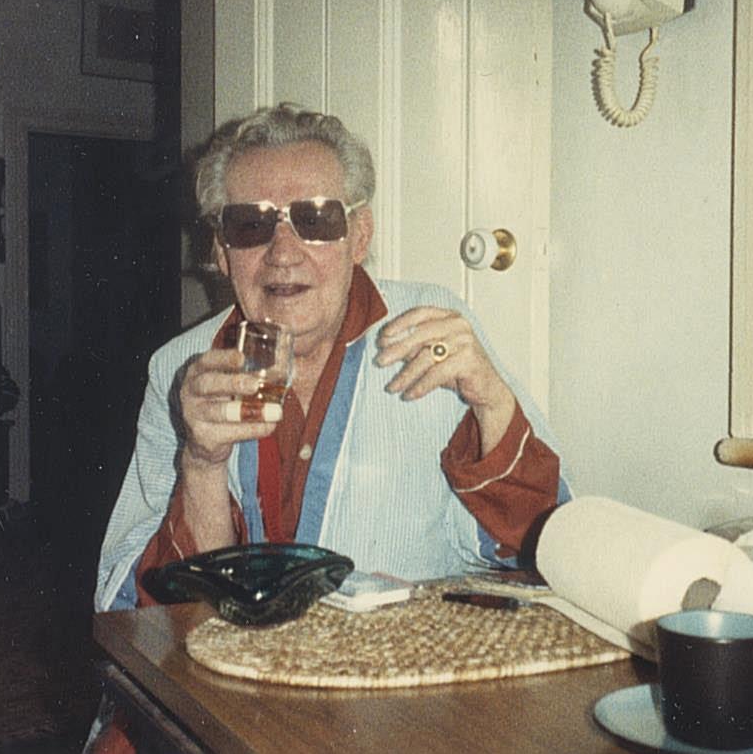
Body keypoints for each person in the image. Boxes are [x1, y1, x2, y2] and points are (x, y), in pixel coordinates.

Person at [87, 103, 570, 750]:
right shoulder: (181, 369)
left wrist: (492, 403)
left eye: (315, 219)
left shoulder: (434, 332)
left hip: (396, 700)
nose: (283, 252)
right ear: (222, 251)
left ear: (359, 235)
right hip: (229, 691)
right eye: (251, 224)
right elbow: (143, 612)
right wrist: (201, 463)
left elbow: (551, 553)